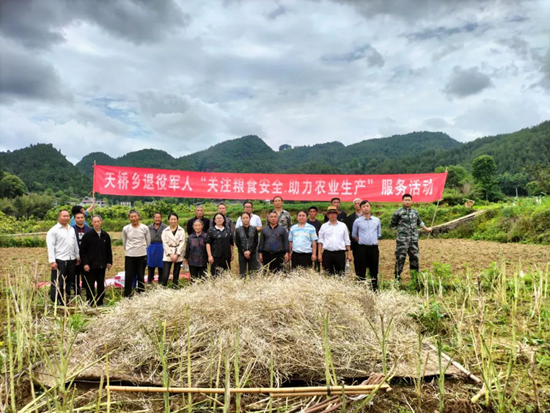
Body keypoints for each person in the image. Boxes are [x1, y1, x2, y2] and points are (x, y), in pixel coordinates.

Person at [391, 194, 432, 282]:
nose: (407, 201)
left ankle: (414, 278)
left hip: (413, 240)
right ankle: (397, 278)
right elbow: (393, 224)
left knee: (414, 258)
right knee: (400, 258)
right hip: (402, 240)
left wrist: (427, 229)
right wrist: (401, 232)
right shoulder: (398, 212)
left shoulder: (415, 212)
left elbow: (419, 222)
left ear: (412, 201)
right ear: (402, 201)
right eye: (405, 200)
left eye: (409, 200)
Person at [47, 210, 80, 305]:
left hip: (71, 259)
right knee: (58, 281)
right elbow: (50, 246)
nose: (66, 218)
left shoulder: (71, 229)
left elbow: (75, 245)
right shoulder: (53, 230)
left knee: (69, 281)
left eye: (68, 216)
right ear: (59, 217)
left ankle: (65, 299)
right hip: (60, 259)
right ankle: (56, 300)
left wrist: (77, 256)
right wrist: (52, 261)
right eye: (64, 216)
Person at [80, 215, 112, 306]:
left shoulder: (105, 235)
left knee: (101, 284)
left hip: (102, 265)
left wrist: (109, 261)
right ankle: (90, 301)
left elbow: (108, 250)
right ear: (92, 223)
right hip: (91, 265)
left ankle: (100, 301)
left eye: (98, 221)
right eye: (94, 222)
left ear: (101, 222)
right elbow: (83, 251)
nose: (96, 223)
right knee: (90, 285)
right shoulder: (87, 236)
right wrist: (85, 263)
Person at [352, 201, 381, 291]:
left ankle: (374, 289)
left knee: (374, 269)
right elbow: (354, 235)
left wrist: (372, 241)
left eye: (367, 206)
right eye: (363, 206)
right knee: (361, 269)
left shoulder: (377, 220)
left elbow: (378, 234)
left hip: (373, 248)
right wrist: (362, 241)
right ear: (361, 209)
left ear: (370, 207)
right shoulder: (357, 221)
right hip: (362, 248)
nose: (366, 208)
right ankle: (362, 288)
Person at [122, 210, 151, 297]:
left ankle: (141, 292)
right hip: (130, 255)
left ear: (139, 216)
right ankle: (127, 294)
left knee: (141, 275)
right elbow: (124, 241)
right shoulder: (126, 228)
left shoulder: (144, 228)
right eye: (131, 217)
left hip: (141, 255)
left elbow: (148, 241)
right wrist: (129, 249)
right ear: (129, 218)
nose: (133, 218)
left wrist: (142, 248)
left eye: (135, 216)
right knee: (129, 275)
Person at [318, 206, 352, 275]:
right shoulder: (324, 226)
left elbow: (347, 240)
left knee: (340, 274)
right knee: (327, 274)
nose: (332, 215)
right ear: (327, 215)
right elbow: (320, 241)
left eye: (334, 213)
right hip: (327, 253)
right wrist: (319, 254)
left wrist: (349, 254)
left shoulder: (343, 226)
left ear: (337, 214)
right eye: (330, 213)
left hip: (340, 253)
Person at [161, 213, 186, 288]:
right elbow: (164, 243)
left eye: (175, 219)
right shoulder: (165, 231)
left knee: (176, 273)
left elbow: (182, 243)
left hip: (178, 252)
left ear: (177, 220)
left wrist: (177, 254)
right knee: (165, 274)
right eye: (171, 219)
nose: (173, 221)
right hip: (168, 253)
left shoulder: (181, 230)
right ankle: (163, 287)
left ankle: (175, 287)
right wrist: (170, 254)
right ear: (168, 220)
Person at [72, 211, 92, 296]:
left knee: (87, 275)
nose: (80, 219)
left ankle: (88, 292)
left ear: (84, 218)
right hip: (75, 257)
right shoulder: (71, 229)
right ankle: (77, 293)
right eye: (78, 218)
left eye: (82, 217)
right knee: (75, 275)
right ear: (74, 219)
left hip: (86, 256)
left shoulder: (89, 229)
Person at [147, 212, 167, 284]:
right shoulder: (149, 227)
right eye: (156, 217)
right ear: (153, 218)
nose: (157, 219)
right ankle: (149, 280)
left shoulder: (165, 227)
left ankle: (161, 281)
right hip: (151, 247)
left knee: (161, 265)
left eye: (159, 217)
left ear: (161, 218)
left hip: (161, 247)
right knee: (150, 265)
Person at [344, 198, 363, 268]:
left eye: (359, 203)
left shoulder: (367, 216)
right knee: (357, 258)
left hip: (366, 241)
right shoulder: (350, 217)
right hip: (355, 242)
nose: (357, 205)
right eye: (355, 204)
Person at [307, 206, 323, 271]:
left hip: (316, 244)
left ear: (316, 213)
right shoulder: (306, 223)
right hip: (307, 245)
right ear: (308, 213)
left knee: (316, 262)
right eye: (311, 211)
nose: (312, 213)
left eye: (314, 211)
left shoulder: (319, 223)